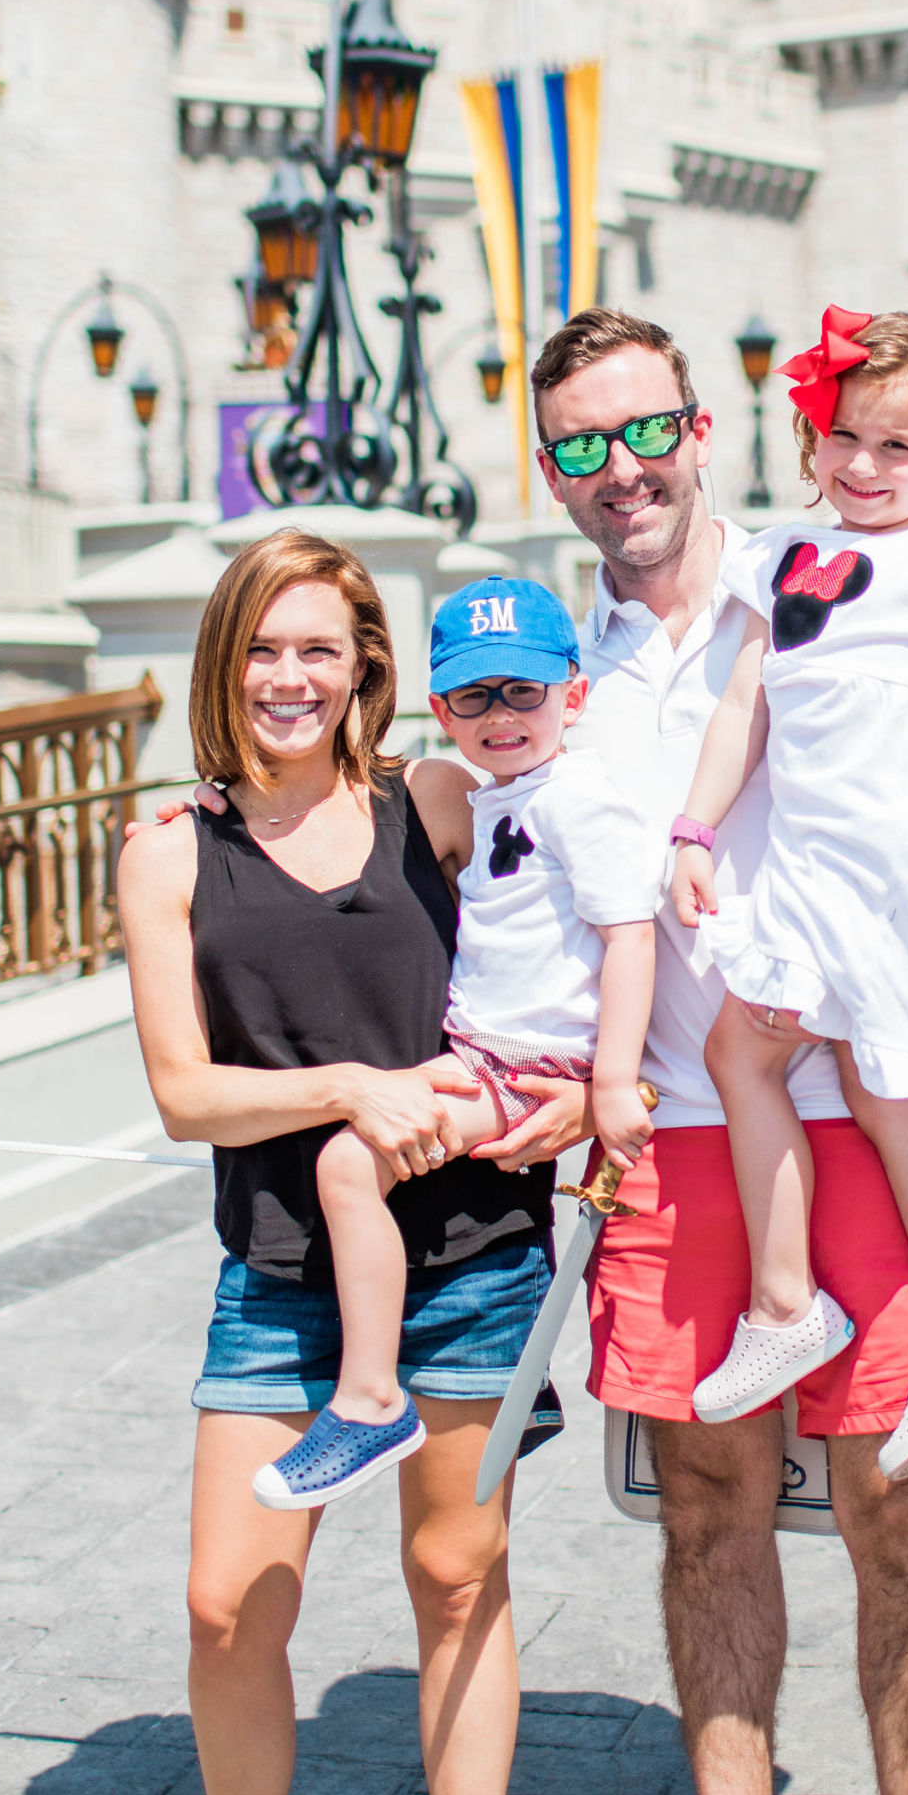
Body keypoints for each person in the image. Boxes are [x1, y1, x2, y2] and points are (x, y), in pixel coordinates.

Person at [483, 304, 908, 1795]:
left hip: (856, 1109)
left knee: (897, 1504)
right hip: (674, 1136)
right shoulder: (536, 667)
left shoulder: (832, 570)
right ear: (544, 463)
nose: (617, 470)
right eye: (576, 445)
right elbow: (488, 874)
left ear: (703, 428)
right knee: (704, 1501)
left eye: (642, 432)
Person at [116, 529, 587, 1795]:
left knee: (456, 1581)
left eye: (322, 648)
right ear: (223, 663)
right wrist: (350, 1092)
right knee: (223, 1603)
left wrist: (582, 1089)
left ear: (368, 665)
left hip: (472, 1258)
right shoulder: (171, 846)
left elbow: (570, 931)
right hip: (278, 1272)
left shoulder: (435, 803)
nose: (291, 678)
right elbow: (185, 1095)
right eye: (263, 647)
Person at [668, 303, 908, 1478]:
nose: (863, 464)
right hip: (816, 862)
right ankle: (827, 1313)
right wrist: (693, 827)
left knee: (872, 1075)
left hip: (900, 863)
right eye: (843, 436)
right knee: (776, 1062)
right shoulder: (778, 556)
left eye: (898, 446)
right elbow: (747, 703)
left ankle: (890, 1320)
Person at [250, 571, 662, 1514]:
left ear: (575, 693)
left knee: (352, 1166)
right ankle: (515, 1387)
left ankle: (369, 1399)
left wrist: (612, 1084)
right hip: (484, 1047)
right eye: (476, 695)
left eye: (525, 690)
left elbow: (629, 936)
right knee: (374, 1129)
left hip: (529, 1062)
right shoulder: (493, 798)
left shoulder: (578, 800)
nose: (502, 714)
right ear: (441, 706)